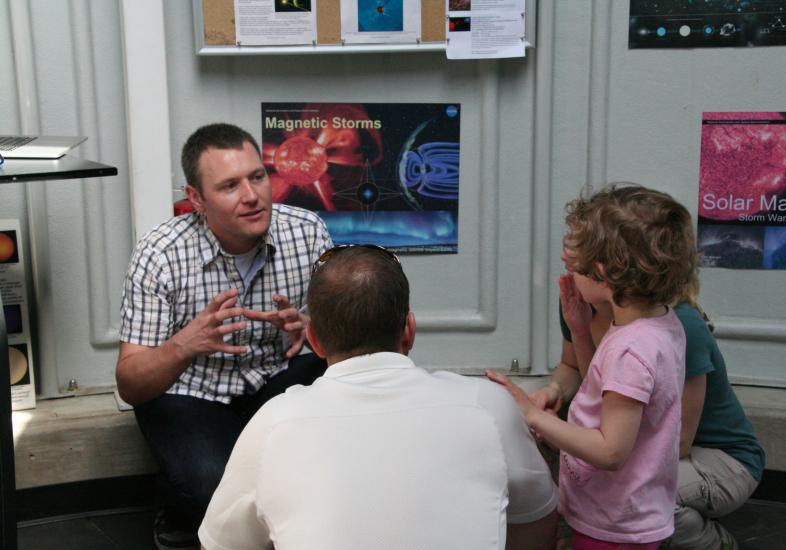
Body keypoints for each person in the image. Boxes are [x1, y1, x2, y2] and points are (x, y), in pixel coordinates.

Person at [198, 245, 560, 550]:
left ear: (315, 340)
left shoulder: (273, 423)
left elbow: (220, 545)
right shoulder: (489, 407)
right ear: (409, 331)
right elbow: (538, 527)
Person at [117, 123, 332, 550]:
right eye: (229, 186)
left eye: (257, 177)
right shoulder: (159, 252)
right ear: (196, 199)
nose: (252, 196)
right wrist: (185, 343)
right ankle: (180, 505)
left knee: (323, 407)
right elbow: (130, 385)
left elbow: (348, 348)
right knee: (213, 492)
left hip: (275, 378)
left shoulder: (307, 232)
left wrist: (311, 330)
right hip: (192, 392)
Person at [489, 184, 699, 549]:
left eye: (576, 262)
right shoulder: (658, 324)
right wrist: (581, 331)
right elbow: (600, 389)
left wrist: (534, 416)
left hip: (614, 524)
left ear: (602, 271)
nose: (567, 265)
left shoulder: (632, 348)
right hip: (625, 511)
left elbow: (611, 451)